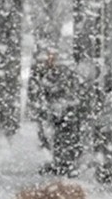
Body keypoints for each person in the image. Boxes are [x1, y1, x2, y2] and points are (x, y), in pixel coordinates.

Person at [27, 47, 84, 177]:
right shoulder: (45, 71)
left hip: (64, 109)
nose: (49, 59)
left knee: (64, 135)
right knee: (54, 136)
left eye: (51, 56)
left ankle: (66, 163)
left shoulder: (62, 71)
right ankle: (61, 162)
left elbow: (61, 88)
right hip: (57, 109)